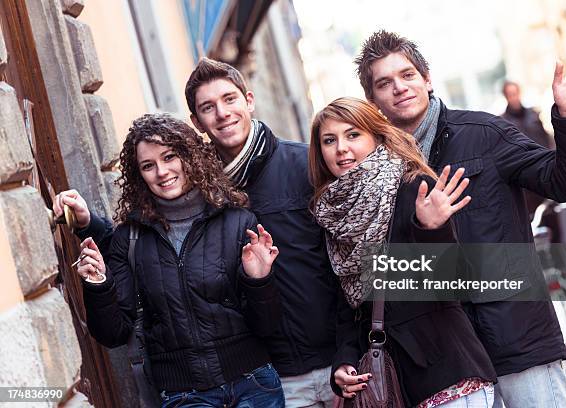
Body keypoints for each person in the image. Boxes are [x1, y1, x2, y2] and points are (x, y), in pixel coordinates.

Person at [56, 59, 339, 407]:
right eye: (208, 107)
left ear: (248, 100)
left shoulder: (305, 164)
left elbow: (359, 247)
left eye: (230, 99)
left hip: (337, 360)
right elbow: (147, 251)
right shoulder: (205, 189)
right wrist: (89, 227)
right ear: (197, 122)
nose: (222, 113)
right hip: (278, 374)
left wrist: (361, 344)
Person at [354, 30, 566, 407]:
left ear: (427, 78)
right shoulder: (377, 171)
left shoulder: (484, 134)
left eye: (407, 75)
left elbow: (565, 181)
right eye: (385, 83)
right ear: (372, 100)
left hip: (518, 343)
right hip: (448, 367)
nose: (400, 88)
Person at [66, 113, 284, 407]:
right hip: (184, 394)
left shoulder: (237, 221)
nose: (161, 172)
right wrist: (98, 285)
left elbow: (269, 326)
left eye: (169, 157)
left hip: (254, 384)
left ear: (189, 156)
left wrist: (258, 281)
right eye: (148, 165)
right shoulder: (130, 239)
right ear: (138, 174)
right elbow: (113, 333)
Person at [309, 97, 497, 407]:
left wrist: (432, 230)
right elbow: (347, 309)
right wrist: (343, 363)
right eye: (329, 140)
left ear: (376, 135)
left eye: (353, 134)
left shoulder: (413, 188)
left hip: (444, 374)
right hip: (391, 386)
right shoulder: (331, 218)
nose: (341, 147)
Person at [502, 80, 553, 218]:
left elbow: (547, 141)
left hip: (545, 175)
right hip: (524, 184)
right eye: (510, 94)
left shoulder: (534, 115)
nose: (514, 97)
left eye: (515, 93)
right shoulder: (502, 123)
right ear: (506, 96)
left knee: (552, 216)